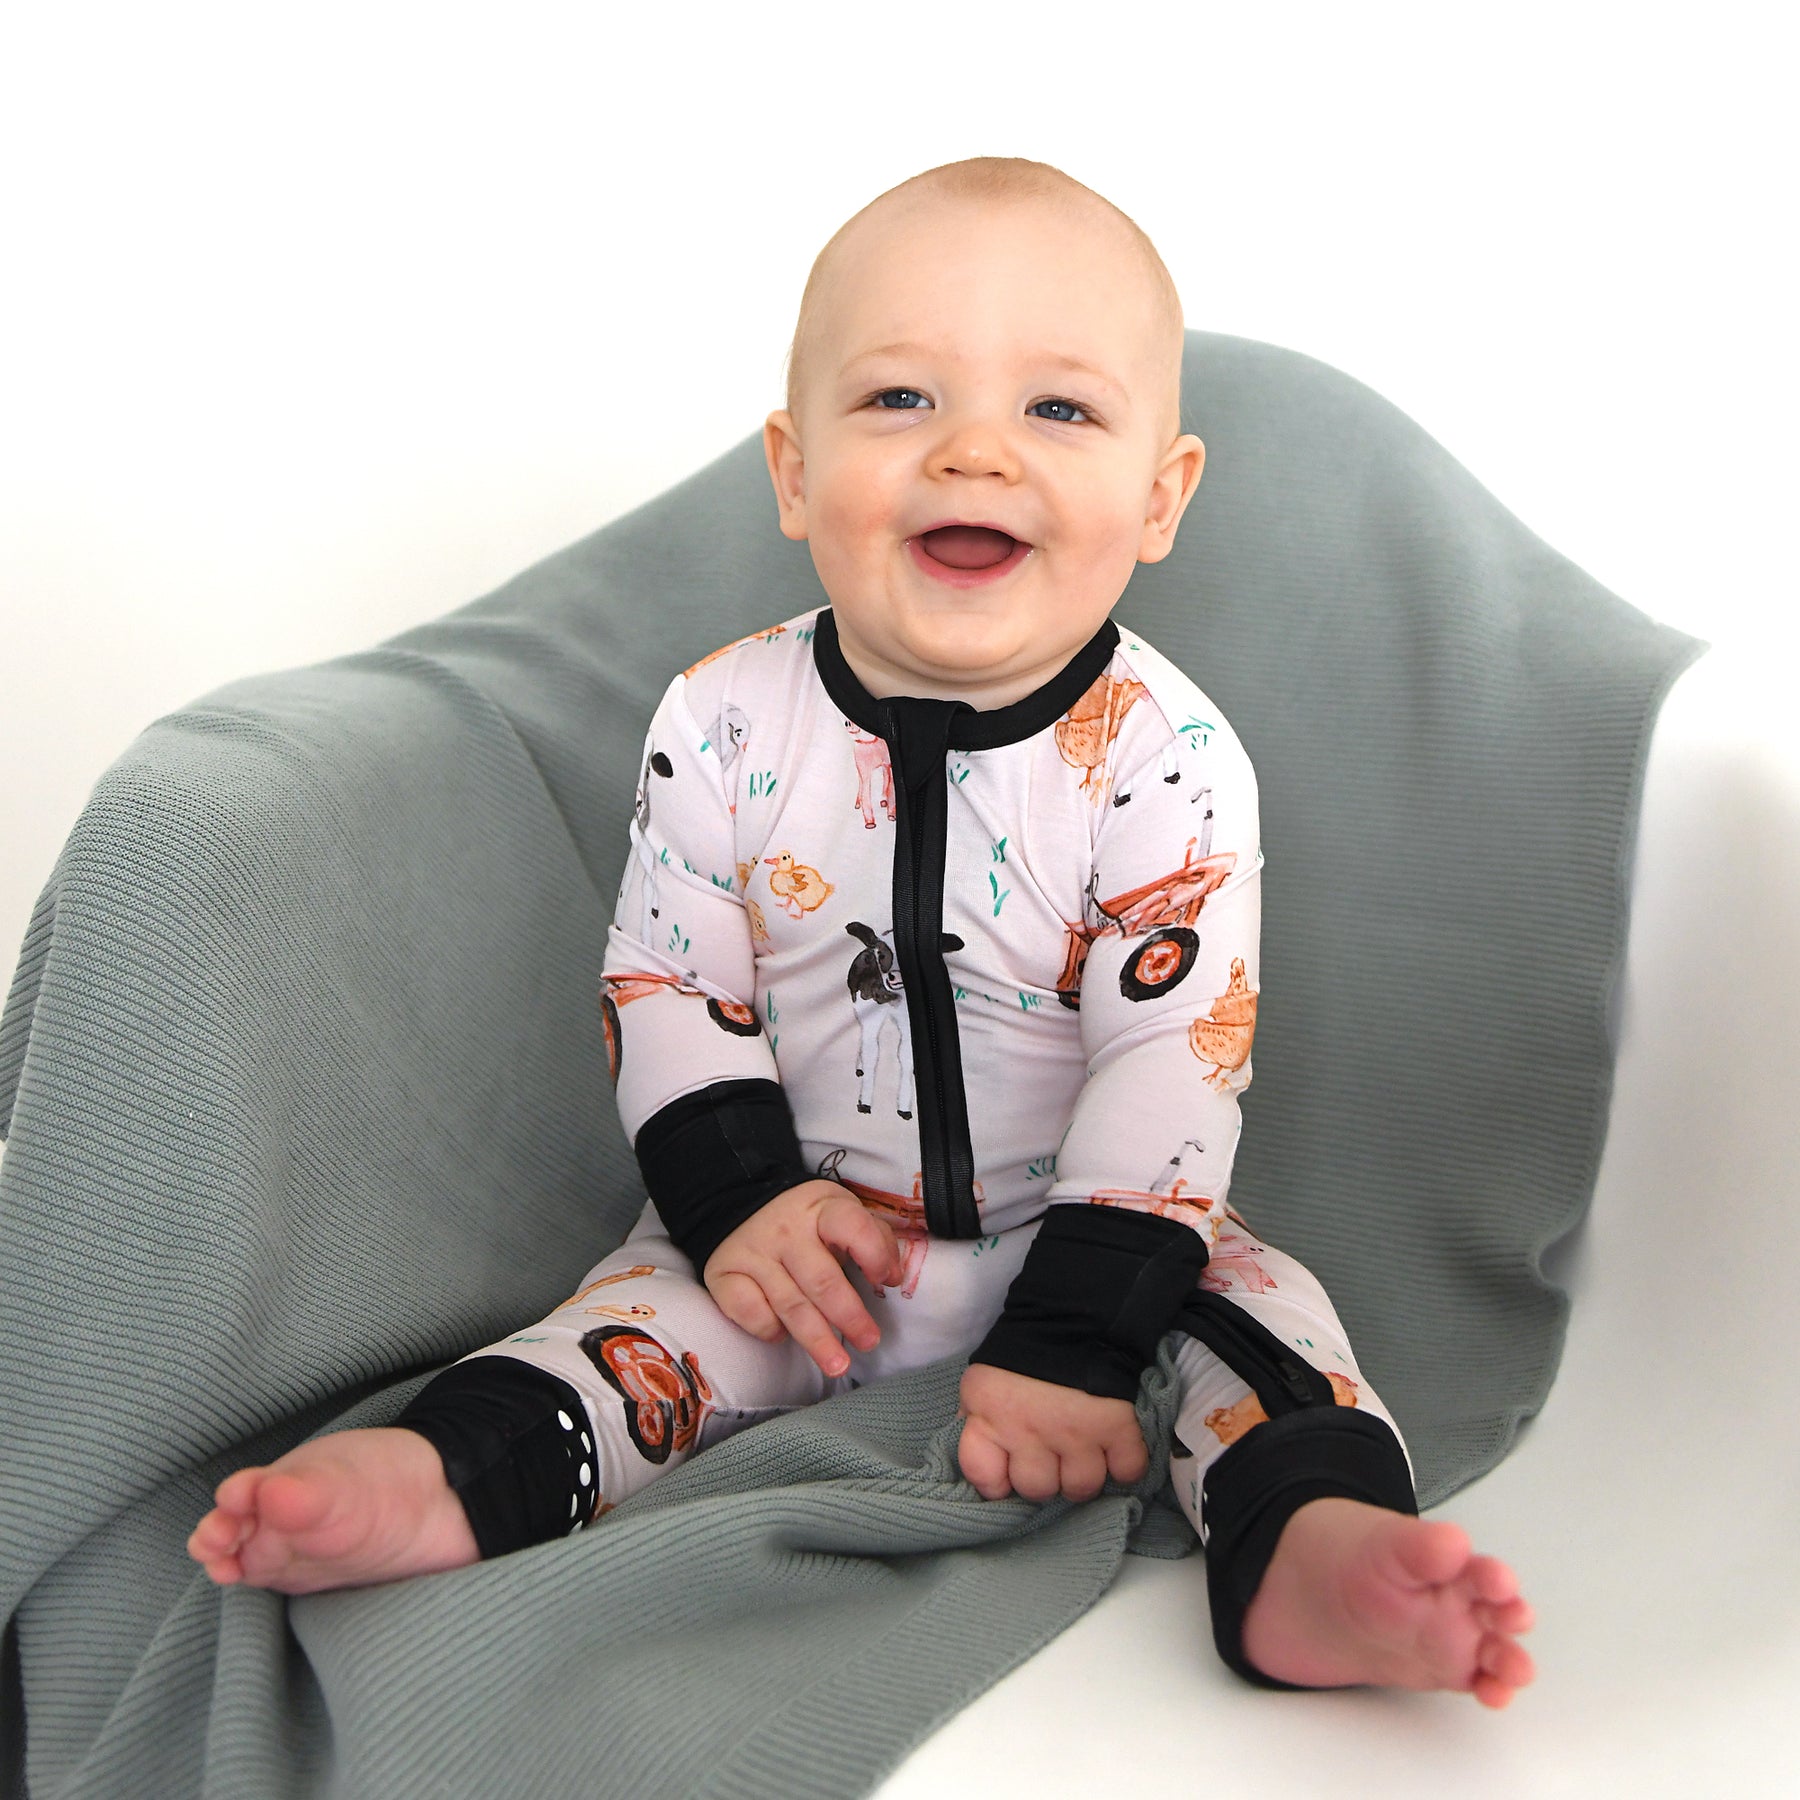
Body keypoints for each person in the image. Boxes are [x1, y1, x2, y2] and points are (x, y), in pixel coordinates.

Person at [188, 157, 1534, 1705]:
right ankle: (442, 1478)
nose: (975, 450)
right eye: (900, 399)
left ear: (1161, 498)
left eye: (1058, 409)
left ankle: (1311, 1549)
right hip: (811, 1242)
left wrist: (1079, 1338)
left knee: (1268, 1333)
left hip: (1099, 1239)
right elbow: (668, 984)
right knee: (623, 1341)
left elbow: (1174, 1058)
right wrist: (745, 1207)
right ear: (793, 468)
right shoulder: (724, 722)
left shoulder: (1166, 760)